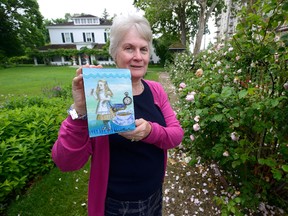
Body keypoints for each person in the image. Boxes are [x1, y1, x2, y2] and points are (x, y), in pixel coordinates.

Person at [52, 13, 184, 216]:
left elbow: (176, 135)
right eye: (129, 48)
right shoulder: (100, 93)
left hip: (154, 194)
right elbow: (66, 162)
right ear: (114, 53)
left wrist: (150, 131)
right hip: (116, 205)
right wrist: (79, 111)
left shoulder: (156, 90)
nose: (138, 56)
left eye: (143, 49)